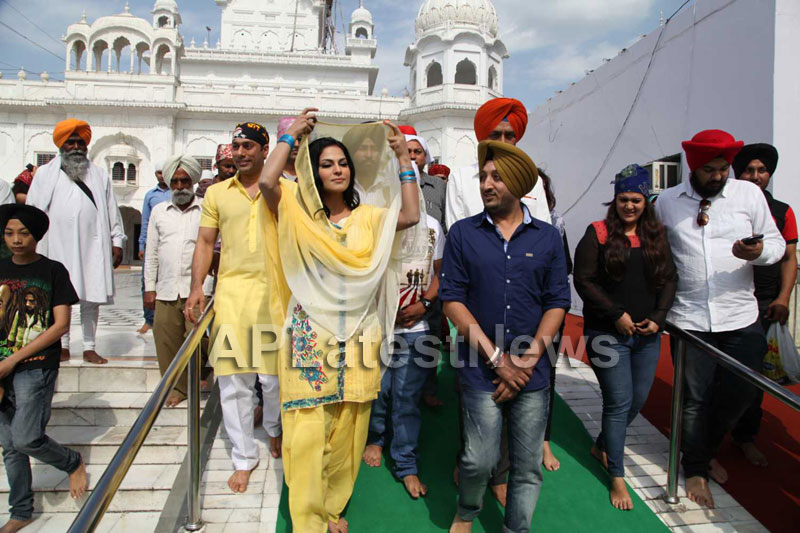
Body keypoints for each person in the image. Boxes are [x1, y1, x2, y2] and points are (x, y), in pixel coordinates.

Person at [258, 110, 421, 533]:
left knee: (349, 428)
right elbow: (266, 183)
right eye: (327, 164)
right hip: (310, 332)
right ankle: (308, 519)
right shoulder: (297, 212)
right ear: (311, 172)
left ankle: (332, 509)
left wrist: (403, 157)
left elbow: (409, 216)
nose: (337, 170)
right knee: (308, 429)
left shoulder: (368, 217)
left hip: (359, 333)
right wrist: (292, 137)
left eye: (343, 163)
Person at [441, 141, 570, 533]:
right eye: (483, 176)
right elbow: (452, 300)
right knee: (478, 460)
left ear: (518, 183)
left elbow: (557, 301)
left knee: (528, 464)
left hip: (533, 374)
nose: (486, 184)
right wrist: (498, 360)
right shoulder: (463, 234)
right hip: (481, 369)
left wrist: (527, 361)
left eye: (496, 177)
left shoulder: (547, 238)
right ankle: (467, 511)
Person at [654, 129, 784, 509]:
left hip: (740, 315)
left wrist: (757, 253)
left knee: (742, 392)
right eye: (709, 170)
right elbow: (655, 251)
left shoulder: (748, 195)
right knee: (693, 398)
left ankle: (704, 447)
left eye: (723, 169)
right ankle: (695, 467)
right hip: (689, 318)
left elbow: (776, 245)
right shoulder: (667, 201)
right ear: (693, 168)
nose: (718, 176)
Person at [185, 121, 285, 494]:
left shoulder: (282, 189)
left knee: (273, 380)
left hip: (276, 296)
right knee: (233, 382)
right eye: (236, 146)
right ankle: (244, 457)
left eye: (248, 146)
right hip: (232, 296)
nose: (241, 153)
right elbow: (205, 241)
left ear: (264, 150)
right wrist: (197, 287)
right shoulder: (217, 193)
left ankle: (273, 429)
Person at [574, 164, 677, 510]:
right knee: (618, 403)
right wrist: (616, 314)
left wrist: (659, 318)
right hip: (607, 333)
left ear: (646, 201)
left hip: (646, 335)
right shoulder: (598, 232)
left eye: (635, 199)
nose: (629, 206)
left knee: (637, 400)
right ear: (614, 199)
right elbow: (584, 280)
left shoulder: (656, 235)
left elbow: (670, 279)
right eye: (623, 199)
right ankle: (616, 475)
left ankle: (601, 443)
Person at [0, 204, 88, 533]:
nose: (16, 240)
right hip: (1, 366)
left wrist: (14, 359)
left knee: (25, 437)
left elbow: (60, 324)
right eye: (10, 233)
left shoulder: (52, 270)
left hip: (35, 365)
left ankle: (70, 461)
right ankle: (21, 510)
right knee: (10, 446)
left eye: (23, 233)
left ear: (36, 235)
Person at [26, 119, 126, 365]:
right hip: (55, 245)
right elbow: (32, 212)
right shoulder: (45, 175)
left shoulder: (99, 175)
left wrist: (117, 241)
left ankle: (90, 346)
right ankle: (63, 344)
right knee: (59, 297)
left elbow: (112, 211)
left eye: (80, 142)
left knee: (91, 294)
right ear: (61, 145)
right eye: (70, 142)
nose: (75, 146)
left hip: (93, 245)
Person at [362, 208, 444, 499]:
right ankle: (376, 438)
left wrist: (424, 304)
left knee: (407, 397)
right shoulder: (373, 220)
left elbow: (439, 272)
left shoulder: (431, 225)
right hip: (376, 325)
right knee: (378, 391)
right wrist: (384, 309)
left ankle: (406, 463)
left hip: (416, 326)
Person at [731, 143, 796, 467]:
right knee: (713, 376)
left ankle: (745, 436)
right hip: (726, 300)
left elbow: (788, 257)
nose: (756, 176)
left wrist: (783, 298)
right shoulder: (725, 207)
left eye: (762, 170)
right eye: (748, 170)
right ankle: (703, 442)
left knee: (753, 379)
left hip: (765, 304)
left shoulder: (783, 211)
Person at [144, 155, 204, 408]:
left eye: (184, 181)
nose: (179, 186)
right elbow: (152, 252)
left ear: (193, 182)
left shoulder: (207, 207)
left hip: (199, 289)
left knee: (198, 339)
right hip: (166, 288)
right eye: (175, 181)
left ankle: (195, 380)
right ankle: (175, 388)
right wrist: (149, 288)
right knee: (165, 339)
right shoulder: (159, 211)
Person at [445, 98, 549, 230]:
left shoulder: (533, 181)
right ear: (483, 138)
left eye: (509, 136)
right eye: (495, 135)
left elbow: (543, 231)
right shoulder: (460, 180)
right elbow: (458, 236)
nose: (502, 142)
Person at [537, 168, 573, 474]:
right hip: (512, 314)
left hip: (548, 312)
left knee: (545, 375)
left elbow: (565, 268)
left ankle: (544, 439)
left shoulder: (555, 223)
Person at [137, 159, 170, 335]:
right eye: (159, 173)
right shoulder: (150, 195)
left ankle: (165, 319)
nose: (162, 176)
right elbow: (146, 221)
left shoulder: (177, 192)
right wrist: (142, 244)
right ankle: (149, 320)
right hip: (152, 242)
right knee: (147, 282)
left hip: (169, 243)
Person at [405, 132, 447, 232]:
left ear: (425, 156)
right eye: (407, 151)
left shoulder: (438, 185)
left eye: (417, 152)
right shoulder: (392, 185)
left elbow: (446, 221)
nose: (412, 156)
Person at [277, 117, 301, 181]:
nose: (296, 144)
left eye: (300, 139)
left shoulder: (312, 176)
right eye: (291, 140)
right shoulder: (270, 176)